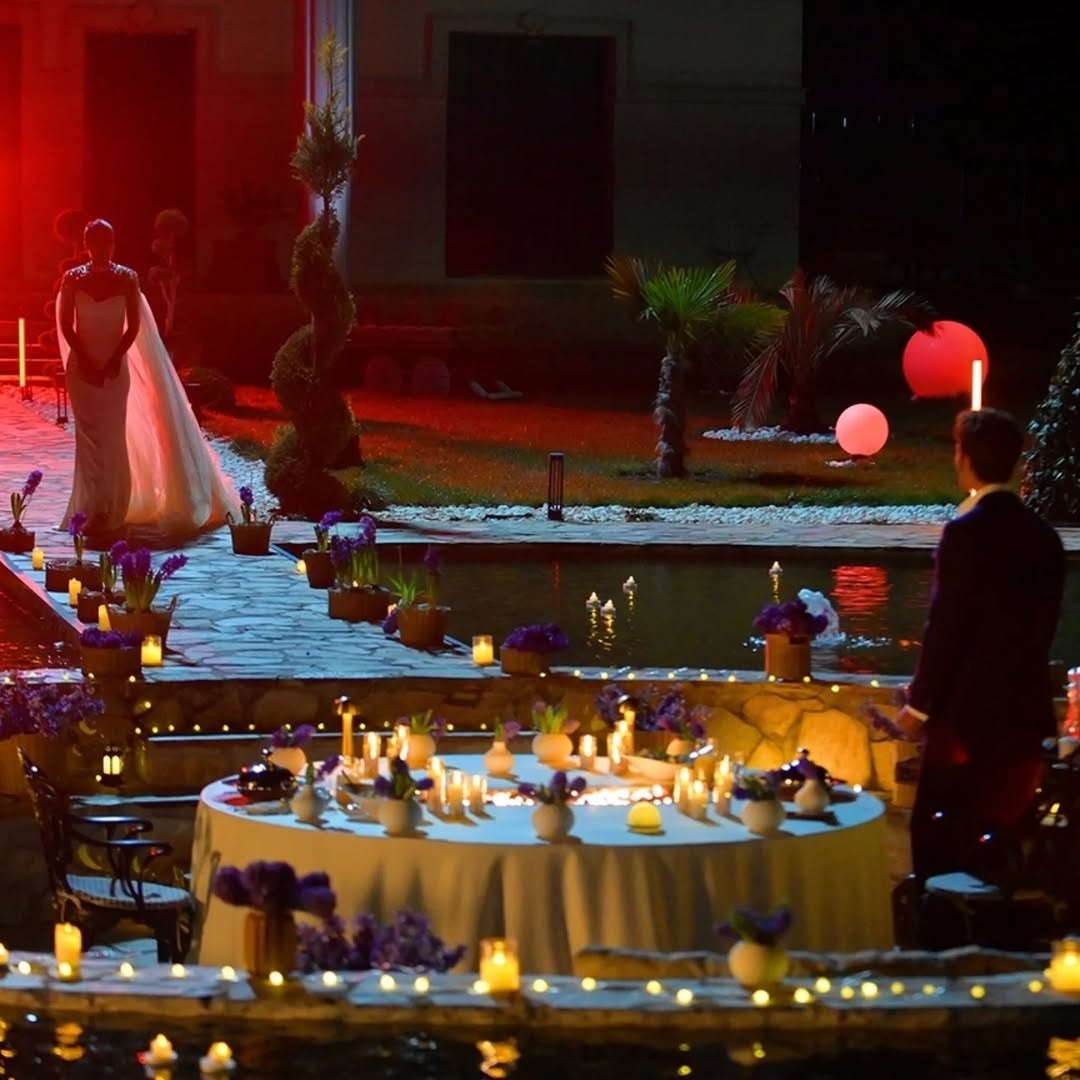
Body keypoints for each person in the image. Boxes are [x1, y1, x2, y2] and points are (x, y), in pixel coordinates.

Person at [897, 408, 1065, 885]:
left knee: (941, 839)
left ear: (965, 458)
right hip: (1025, 716)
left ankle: (943, 922)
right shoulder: (1044, 536)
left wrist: (918, 706)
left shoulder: (965, 533)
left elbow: (946, 625)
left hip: (966, 721)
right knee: (1007, 835)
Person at [57, 219, 237, 542]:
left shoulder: (127, 278)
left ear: (113, 244)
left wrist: (113, 359)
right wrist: (85, 359)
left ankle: (112, 507)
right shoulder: (73, 278)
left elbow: (134, 326)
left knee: (112, 435)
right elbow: (66, 325)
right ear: (87, 246)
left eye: (107, 242)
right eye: (96, 243)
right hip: (82, 369)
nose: (102, 249)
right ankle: (91, 505)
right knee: (89, 438)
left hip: (114, 367)